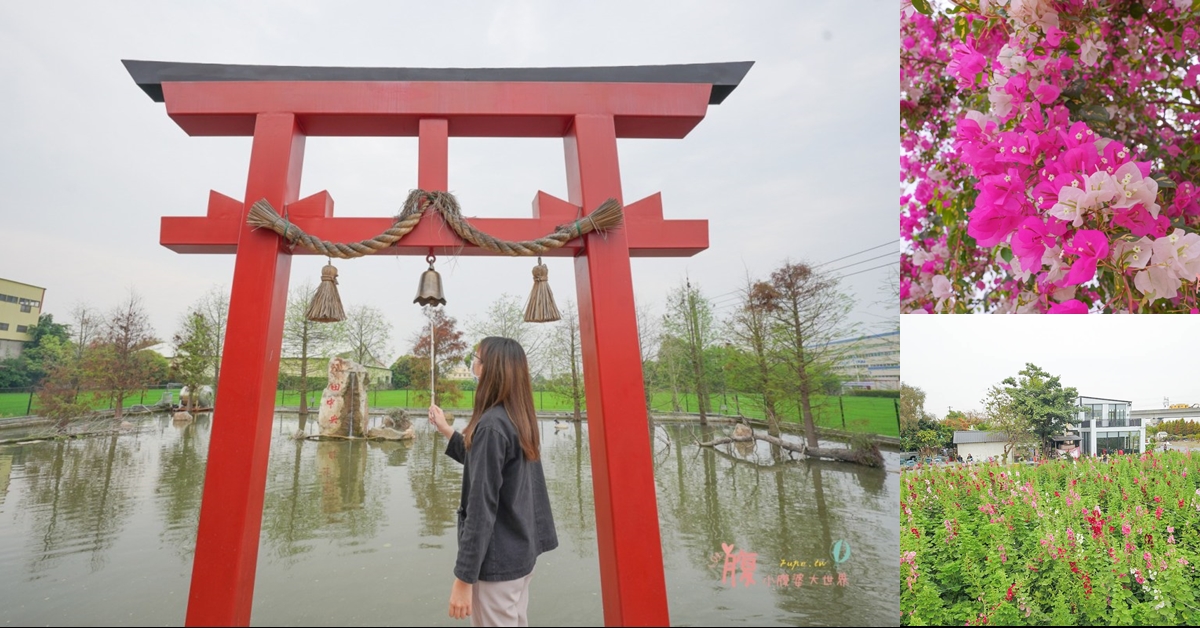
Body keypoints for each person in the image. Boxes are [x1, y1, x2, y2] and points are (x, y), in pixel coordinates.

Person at [428, 337, 558, 626]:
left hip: (498, 560)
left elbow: (481, 506)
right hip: (520, 551)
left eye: (476, 359)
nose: (472, 365)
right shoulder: (518, 417)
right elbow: (488, 466)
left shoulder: (491, 425)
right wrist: (447, 430)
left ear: (491, 370)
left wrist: (464, 577)